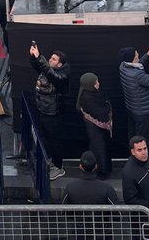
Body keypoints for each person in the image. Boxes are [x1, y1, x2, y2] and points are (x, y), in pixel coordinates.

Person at [28, 42, 70, 180]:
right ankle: (50, 162)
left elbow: (51, 74)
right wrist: (34, 57)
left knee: (55, 141)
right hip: (43, 111)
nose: (50, 60)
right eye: (50, 58)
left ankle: (58, 167)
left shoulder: (61, 76)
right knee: (45, 139)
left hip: (53, 114)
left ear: (59, 64)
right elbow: (39, 67)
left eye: (53, 59)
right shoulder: (47, 69)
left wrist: (40, 57)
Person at [119, 46, 149, 155]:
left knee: (133, 134)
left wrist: (148, 54)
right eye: (136, 54)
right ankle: (143, 157)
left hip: (131, 108)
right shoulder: (138, 75)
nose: (138, 54)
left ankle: (133, 154)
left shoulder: (123, 67)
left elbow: (137, 64)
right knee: (143, 137)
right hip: (142, 111)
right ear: (133, 58)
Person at [76, 72, 113, 177]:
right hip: (96, 131)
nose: (98, 84)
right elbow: (101, 114)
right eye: (96, 82)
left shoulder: (90, 94)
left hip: (96, 131)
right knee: (99, 149)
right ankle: (102, 171)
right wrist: (107, 107)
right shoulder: (88, 98)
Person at [121, 135, 149, 221]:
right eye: (139, 150)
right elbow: (130, 199)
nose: (144, 152)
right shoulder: (129, 173)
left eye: (145, 148)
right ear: (133, 151)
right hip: (142, 220)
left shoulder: (145, 161)